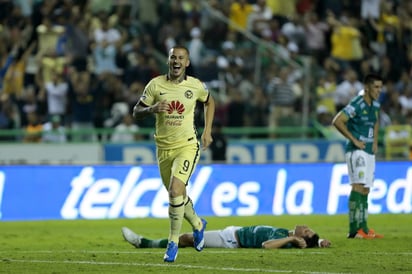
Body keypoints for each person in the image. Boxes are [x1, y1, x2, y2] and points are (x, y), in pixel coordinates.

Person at [132, 45, 215, 262]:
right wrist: (151, 109)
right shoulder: (155, 85)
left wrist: (207, 131)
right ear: (168, 61)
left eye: (181, 58)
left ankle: (173, 241)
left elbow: (209, 101)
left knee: (175, 190)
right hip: (163, 149)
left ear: (187, 62)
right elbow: (136, 111)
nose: (176, 61)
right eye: (173, 57)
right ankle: (198, 223)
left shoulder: (195, 86)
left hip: (188, 145)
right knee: (177, 195)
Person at [332, 73, 384, 239]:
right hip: (357, 151)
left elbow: (375, 122)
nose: (379, 90)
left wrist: (374, 141)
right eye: (376, 87)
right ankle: (354, 230)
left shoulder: (375, 105)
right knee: (358, 186)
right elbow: (338, 120)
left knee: (366, 189)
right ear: (367, 88)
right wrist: (353, 139)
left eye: (380, 87)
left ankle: (364, 228)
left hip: (369, 151)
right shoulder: (357, 103)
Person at [121, 224, 331, 250]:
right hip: (233, 231)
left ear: (301, 239)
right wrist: (319, 241)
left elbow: (266, 246)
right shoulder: (287, 233)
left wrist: (293, 240)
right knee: (190, 238)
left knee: (188, 237)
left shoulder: (286, 241)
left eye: (307, 232)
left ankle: (144, 243)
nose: (305, 228)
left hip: (230, 240)